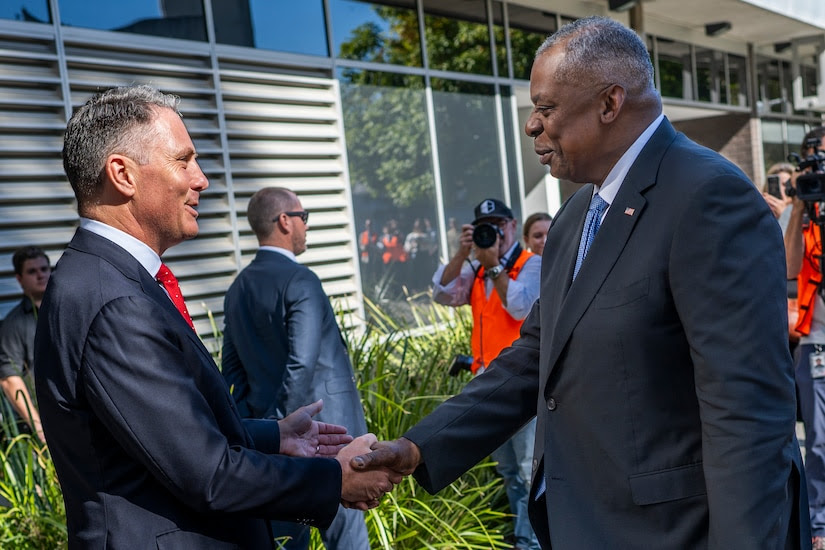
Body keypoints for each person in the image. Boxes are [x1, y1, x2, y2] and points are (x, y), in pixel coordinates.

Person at [353, 16, 807, 549]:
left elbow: (747, 417)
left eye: (545, 108)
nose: (531, 126)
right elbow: (539, 354)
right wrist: (419, 447)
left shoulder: (708, 198)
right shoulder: (575, 214)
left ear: (609, 104)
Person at [34, 85, 398, 548]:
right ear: (123, 174)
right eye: (183, 161)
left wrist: (275, 435)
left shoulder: (107, 280)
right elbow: (207, 475)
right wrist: (334, 479)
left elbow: (165, 434)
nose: (201, 179)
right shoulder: (115, 300)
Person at [222, 187, 370, 550]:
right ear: (284, 222)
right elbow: (301, 363)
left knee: (288, 541)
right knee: (346, 539)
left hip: (273, 447)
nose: (306, 226)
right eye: (303, 217)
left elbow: (232, 374)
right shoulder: (301, 280)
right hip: (325, 435)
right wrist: (284, 427)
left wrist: (260, 436)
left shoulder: (237, 289)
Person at [431, 197, 541, 550]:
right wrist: (463, 255)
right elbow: (441, 293)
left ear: (512, 225)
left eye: (499, 224)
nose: (494, 231)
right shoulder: (475, 267)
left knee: (528, 471)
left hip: (522, 386)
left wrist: (494, 266)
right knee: (509, 471)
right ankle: (524, 538)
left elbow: (521, 306)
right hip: (487, 386)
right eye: (485, 225)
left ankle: (532, 543)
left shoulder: (532, 264)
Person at [785, 125, 825, 549]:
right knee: (819, 443)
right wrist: (798, 206)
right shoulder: (801, 206)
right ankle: (819, 525)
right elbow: (788, 266)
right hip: (816, 338)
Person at [0, 246, 49, 442]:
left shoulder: (65, 310)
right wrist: (39, 430)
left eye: (44, 269)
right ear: (19, 279)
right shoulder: (13, 324)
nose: (40, 275)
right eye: (32, 271)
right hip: (40, 429)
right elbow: (9, 380)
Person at [763, 162, 796, 233]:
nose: (781, 190)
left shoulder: (803, 216)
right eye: (776, 185)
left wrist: (784, 215)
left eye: (785, 184)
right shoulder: (763, 215)